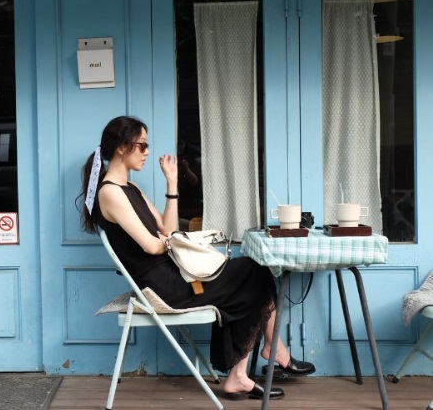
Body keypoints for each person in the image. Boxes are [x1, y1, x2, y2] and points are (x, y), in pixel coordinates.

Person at [77, 116, 315, 401]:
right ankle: (264, 357)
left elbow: (167, 229)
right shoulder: (110, 193)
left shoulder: (132, 189)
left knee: (255, 272)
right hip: (161, 285)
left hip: (173, 272)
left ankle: (250, 366)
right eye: (142, 145)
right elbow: (152, 247)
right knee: (253, 273)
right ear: (121, 147)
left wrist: (172, 183)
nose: (148, 152)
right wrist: (173, 241)